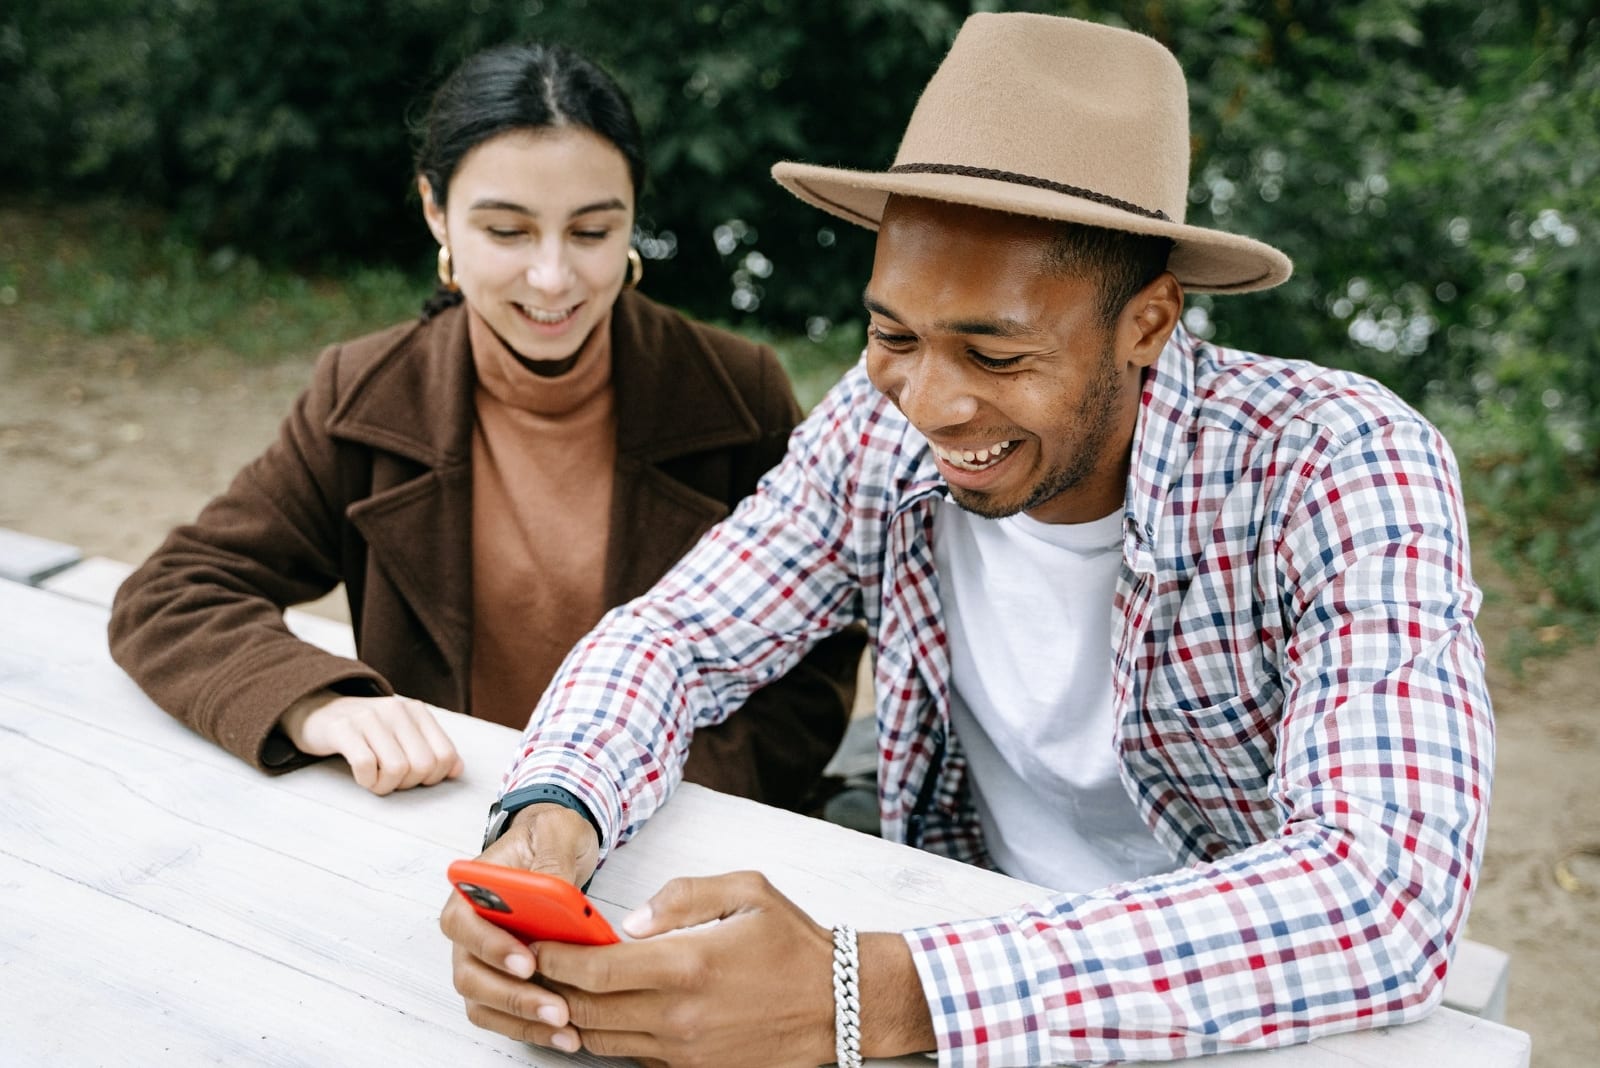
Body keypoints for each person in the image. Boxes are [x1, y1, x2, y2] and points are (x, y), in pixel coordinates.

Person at [440, 13, 1493, 1067]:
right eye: (893, 333)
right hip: (952, 924)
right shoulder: (873, 417)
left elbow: (1379, 895)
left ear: (1149, 323)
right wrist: (551, 816)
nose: (929, 404)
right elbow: (679, 636)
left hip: (1236, 1008)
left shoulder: (1340, 465)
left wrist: (872, 995)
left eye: (994, 354)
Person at [107, 42, 862, 809]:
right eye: (507, 231)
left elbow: (817, 656)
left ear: (633, 214)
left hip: (668, 831)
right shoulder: (363, 397)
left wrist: (655, 798)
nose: (552, 277)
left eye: (593, 232)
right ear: (436, 211)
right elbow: (173, 594)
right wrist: (313, 703)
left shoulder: (738, 393)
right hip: (441, 826)